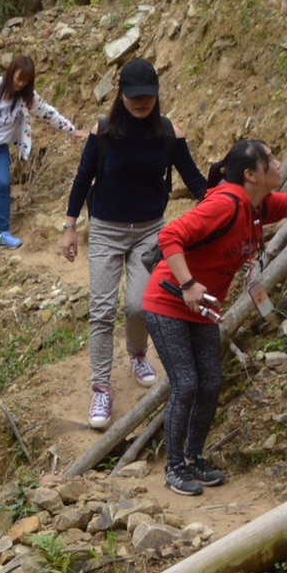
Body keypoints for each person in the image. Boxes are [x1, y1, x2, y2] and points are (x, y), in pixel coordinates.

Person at [142, 125, 287, 496]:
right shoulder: (224, 203)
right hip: (167, 302)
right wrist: (188, 284)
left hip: (203, 309)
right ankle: (175, 467)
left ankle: (194, 459)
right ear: (251, 174)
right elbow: (169, 236)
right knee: (187, 383)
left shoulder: (258, 206)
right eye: (271, 159)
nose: (278, 163)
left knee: (210, 383)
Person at [61, 58, 209, 431]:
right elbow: (83, 178)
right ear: (121, 95)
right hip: (107, 230)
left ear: (156, 95)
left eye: (147, 97)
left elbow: (193, 180)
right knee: (102, 309)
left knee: (139, 304)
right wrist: (69, 226)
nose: (141, 103)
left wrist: (223, 207)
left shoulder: (167, 133)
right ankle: (101, 387)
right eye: (134, 97)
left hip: (149, 230)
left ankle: (138, 353)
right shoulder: (104, 132)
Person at [0, 55, 86, 256]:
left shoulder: (27, 98)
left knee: (3, 185)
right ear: (11, 73)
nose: (18, 84)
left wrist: (72, 130)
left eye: (24, 81)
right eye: (17, 78)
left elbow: (48, 114)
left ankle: (2, 233)